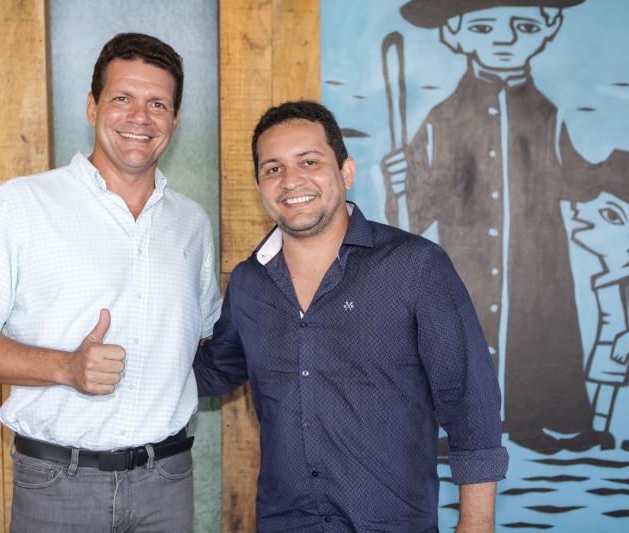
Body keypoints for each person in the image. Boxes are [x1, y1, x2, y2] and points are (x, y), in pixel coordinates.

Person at [0, 33, 221, 532]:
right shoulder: (18, 205)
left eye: (157, 104)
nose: (140, 117)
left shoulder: (193, 224)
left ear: (174, 121)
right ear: (93, 107)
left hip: (167, 482)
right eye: (122, 98)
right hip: (58, 482)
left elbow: (205, 336)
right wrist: (66, 367)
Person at [195, 101, 508, 532]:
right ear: (260, 186)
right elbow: (215, 369)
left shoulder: (416, 266)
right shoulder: (249, 282)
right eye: (273, 168)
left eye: (309, 161)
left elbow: (470, 401)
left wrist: (477, 523)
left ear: (346, 172)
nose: (291, 180)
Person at [382, 0, 613, 453]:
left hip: (538, 261)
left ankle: (541, 420)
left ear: (548, 26)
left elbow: (574, 178)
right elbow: (416, 215)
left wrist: (612, 171)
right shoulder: (442, 119)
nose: (505, 39)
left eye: (523, 25)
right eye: (484, 28)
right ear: (454, 34)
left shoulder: (546, 113)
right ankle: (460, 427)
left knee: (540, 328)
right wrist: (401, 183)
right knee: (462, 338)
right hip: (466, 263)